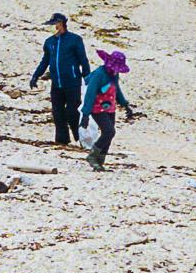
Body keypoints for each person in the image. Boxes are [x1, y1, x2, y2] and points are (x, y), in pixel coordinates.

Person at [30, 12, 90, 145]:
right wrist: (36, 75)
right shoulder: (50, 42)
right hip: (56, 83)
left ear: (61, 23)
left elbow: (83, 60)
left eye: (55, 23)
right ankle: (62, 140)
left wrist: (87, 76)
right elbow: (45, 61)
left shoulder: (75, 40)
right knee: (57, 113)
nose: (54, 26)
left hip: (72, 81)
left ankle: (79, 136)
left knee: (72, 111)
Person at [79, 49, 134, 171]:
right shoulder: (99, 74)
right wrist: (85, 114)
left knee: (108, 135)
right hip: (97, 108)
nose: (116, 71)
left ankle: (99, 162)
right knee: (109, 132)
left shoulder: (114, 75)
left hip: (110, 108)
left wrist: (125, 105)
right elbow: (90, 94)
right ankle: (92, 156)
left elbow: (117, 90)